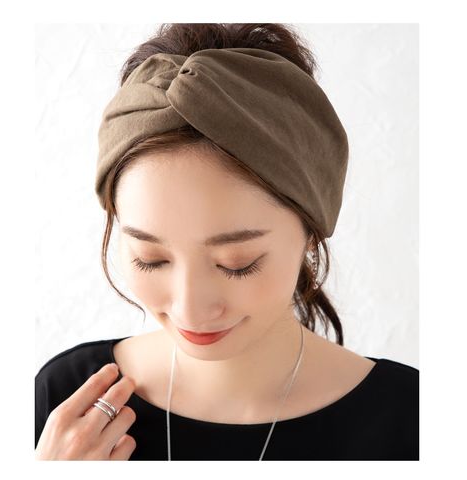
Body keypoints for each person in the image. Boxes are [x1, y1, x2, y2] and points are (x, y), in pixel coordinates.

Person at [35, 23, 419, 461]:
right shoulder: (66, 407)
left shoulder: (415, 422)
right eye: (150, 259)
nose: (190, 310)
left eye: (237, 263)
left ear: (311, 231)